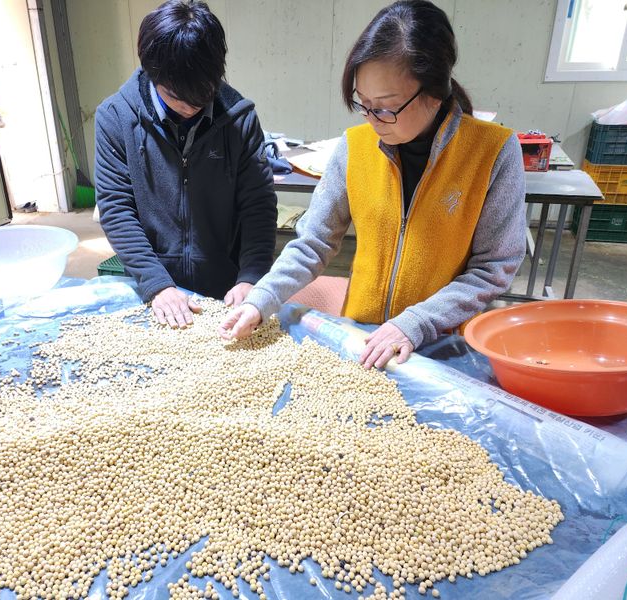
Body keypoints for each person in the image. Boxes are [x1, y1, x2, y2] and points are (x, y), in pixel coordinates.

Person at [220, 0, 526, 369]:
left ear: (435, 91)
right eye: (363, 103)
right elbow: (313, 243)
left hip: (440, 345)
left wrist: (415, 324)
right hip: (361, 336)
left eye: (386, 106)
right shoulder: (354, 147)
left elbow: (494, 267)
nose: (373, 118)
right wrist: (262, 298)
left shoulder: (492, 151)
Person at [94, 0, 277, 329]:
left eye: (202, 93)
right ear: (153, 74)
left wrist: (251, 276)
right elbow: (116, 207)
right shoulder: (116, 117)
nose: (190, 106)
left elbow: (258, 206)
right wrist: (157, 285)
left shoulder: (240, 118)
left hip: (226, 286)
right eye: (176, 95)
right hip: (153, 289)